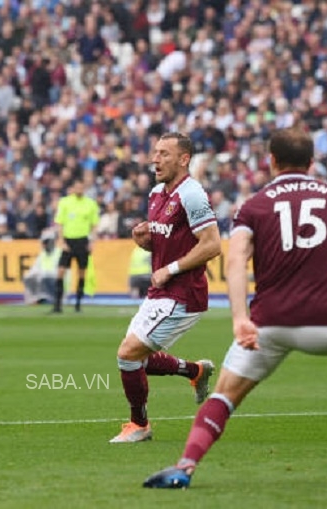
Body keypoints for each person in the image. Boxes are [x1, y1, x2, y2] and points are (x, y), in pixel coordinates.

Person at [143, 127, 327, 488]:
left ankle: (185, 467)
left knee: (224, 395)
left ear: (271, 160)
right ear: (311, 161)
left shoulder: (253, 206)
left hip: (266, 327)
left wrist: (241, 318)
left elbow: (236, 262)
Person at [110, 132, 221, 443]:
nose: (155, 159)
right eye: (155, 152)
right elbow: (166, 244)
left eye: (164, 154)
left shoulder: (192, 194)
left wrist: (170, 269)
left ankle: (139, 426)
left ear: (184, 159)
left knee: (128, 354)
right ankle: (194, 371)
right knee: (135, 358)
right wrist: (143, 241)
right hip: (162, 292)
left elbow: (212, 245)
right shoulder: (157, 193)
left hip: (184, 293)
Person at [51, 179, 100, 313]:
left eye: (81, 187)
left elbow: (94, 225)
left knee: (82, 273)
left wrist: (91, 242)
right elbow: (59, 223)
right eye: (77, 187)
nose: (79, 189)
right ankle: (57, 305)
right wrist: (61, 241)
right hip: (68, 241)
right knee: (60, 271)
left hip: (82, 241)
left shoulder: (90, 204)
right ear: (73, 188)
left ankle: (78, 305)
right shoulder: (65, 202)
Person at [23, 231, 62, 304]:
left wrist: (41, 274)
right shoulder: (42, 255)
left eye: (46, 243)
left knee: (45, 278)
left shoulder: (59, 253)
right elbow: (34, 269)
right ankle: (36, 298)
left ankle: (53, 298)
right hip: (45, 281)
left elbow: (57, 273)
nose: (44, 245)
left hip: (56, 283)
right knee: (29, 278)